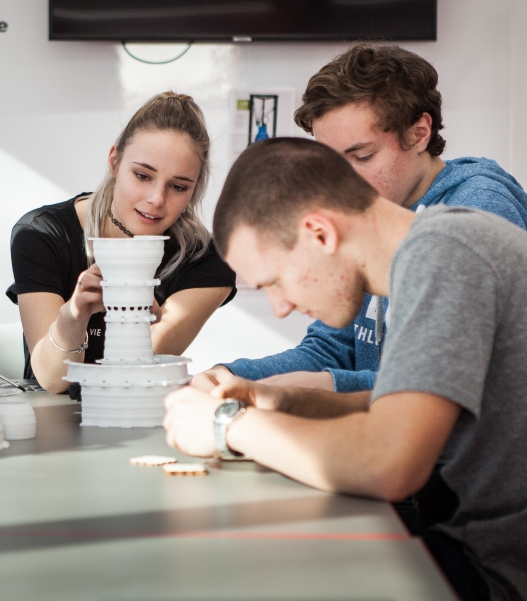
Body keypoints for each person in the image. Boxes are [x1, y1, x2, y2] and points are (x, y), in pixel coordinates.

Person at [164, 137, 527, 601]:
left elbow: (388, 463)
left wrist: (226, 426)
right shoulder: (438, 248)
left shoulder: (444, 255)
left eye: (275, 281)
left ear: (319, 234)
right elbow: (410, 407)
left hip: (496, 572)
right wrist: (286, 400)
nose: (280, 307)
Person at [194, 45, 527, 393]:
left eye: (362, 156)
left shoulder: (477, 213)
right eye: (329, 163)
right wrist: (232, 376)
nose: (342, 180)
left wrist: (318, 387)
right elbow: (331, 349)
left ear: (419, 133)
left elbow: (444, 387)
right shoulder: (363, 226)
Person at [7, 92, 236, 394]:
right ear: (115, 161)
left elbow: (130, 372)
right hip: (51, 416)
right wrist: (74, 315)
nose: (156, 199)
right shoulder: (42, 235)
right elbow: (53, 380)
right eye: (142, 175)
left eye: (178, 186)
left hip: (133, 412)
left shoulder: (207, 259)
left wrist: (137, 321)